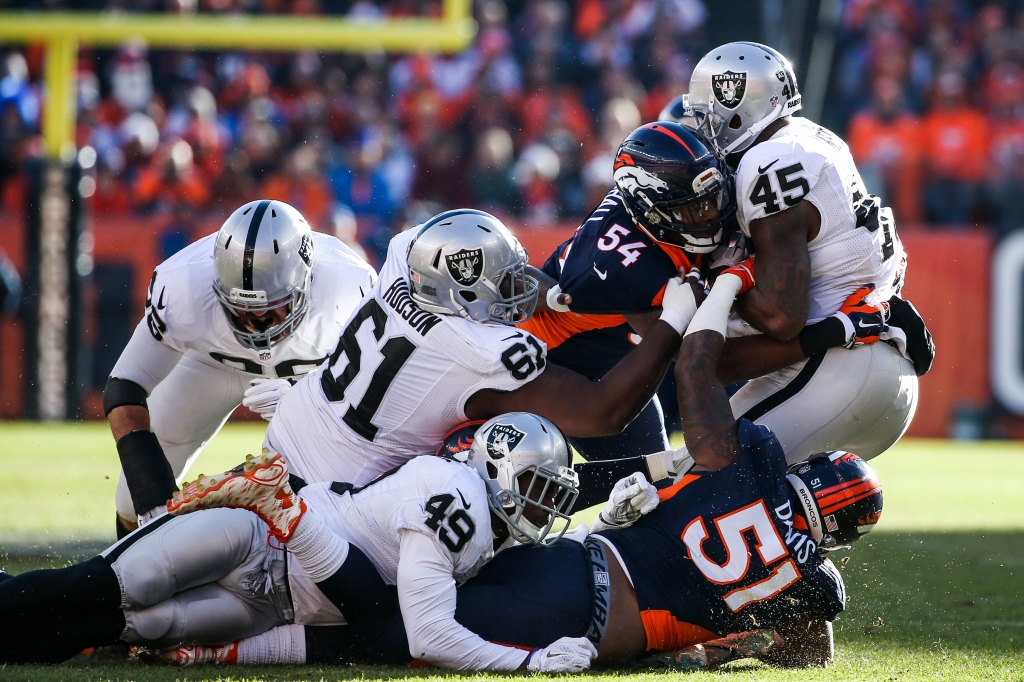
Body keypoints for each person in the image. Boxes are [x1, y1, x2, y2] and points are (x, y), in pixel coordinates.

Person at [165, 266, 881, 671]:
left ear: (808, 474)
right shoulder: (819, 584)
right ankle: (217, 637)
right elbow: (808, 653)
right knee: (388, 619)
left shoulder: (751, 458)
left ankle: (208, 632)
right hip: (611, 634)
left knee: (393, 623)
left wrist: (719, 294)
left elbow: (699, 371)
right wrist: (725, 640)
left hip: (573, 577)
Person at [0, 413, 594, 673]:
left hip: (274, 605)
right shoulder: (457, 494)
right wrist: (531, 661)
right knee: (111, 584)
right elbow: (430, 635)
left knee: (135, 626)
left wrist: (613, 511)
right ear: (495, 470)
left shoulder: (482, 519)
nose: (544, 508)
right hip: (261, 535)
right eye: (537, 489)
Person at [259, 208, 699, 508]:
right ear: (465, 297)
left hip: (280, 447)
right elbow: (603, 413)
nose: (519, 288)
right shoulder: (480, 352)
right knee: (514, 450)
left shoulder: (404, 256)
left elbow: (471, 266)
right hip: (336, 508)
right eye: (505, 281)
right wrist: (673, 321)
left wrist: (559, 300)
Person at [683, 41, 933, 462]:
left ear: (740, 106)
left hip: (839, 366)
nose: (704, 123)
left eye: (709, 109)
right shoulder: (811, 139)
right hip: (869, 361)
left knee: (702, 480)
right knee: (775, 521)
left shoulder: (770, 160)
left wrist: (724, 281)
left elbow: (783, 316)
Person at [105, 199, 376, 537]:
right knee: (132, 502)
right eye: (240, 310)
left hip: (314, 374)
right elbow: (125, 386)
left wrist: (308, 401)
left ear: (307, 280)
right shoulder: (183, 283)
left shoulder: (351, 289)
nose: (257, 324)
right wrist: (150, 490)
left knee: (337, 494)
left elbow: (372, 398)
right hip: (210, 362)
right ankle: (134, 582)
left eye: (273, 307)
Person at [519, 122, 735, 462]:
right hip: (549, 362)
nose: (712, 214)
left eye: (712, 199)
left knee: (653, 486)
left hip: (607, 352)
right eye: (693, 207)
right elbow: (700, 359)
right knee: (639, 478)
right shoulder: (629, 269)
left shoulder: (650, 213)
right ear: (651, 208)